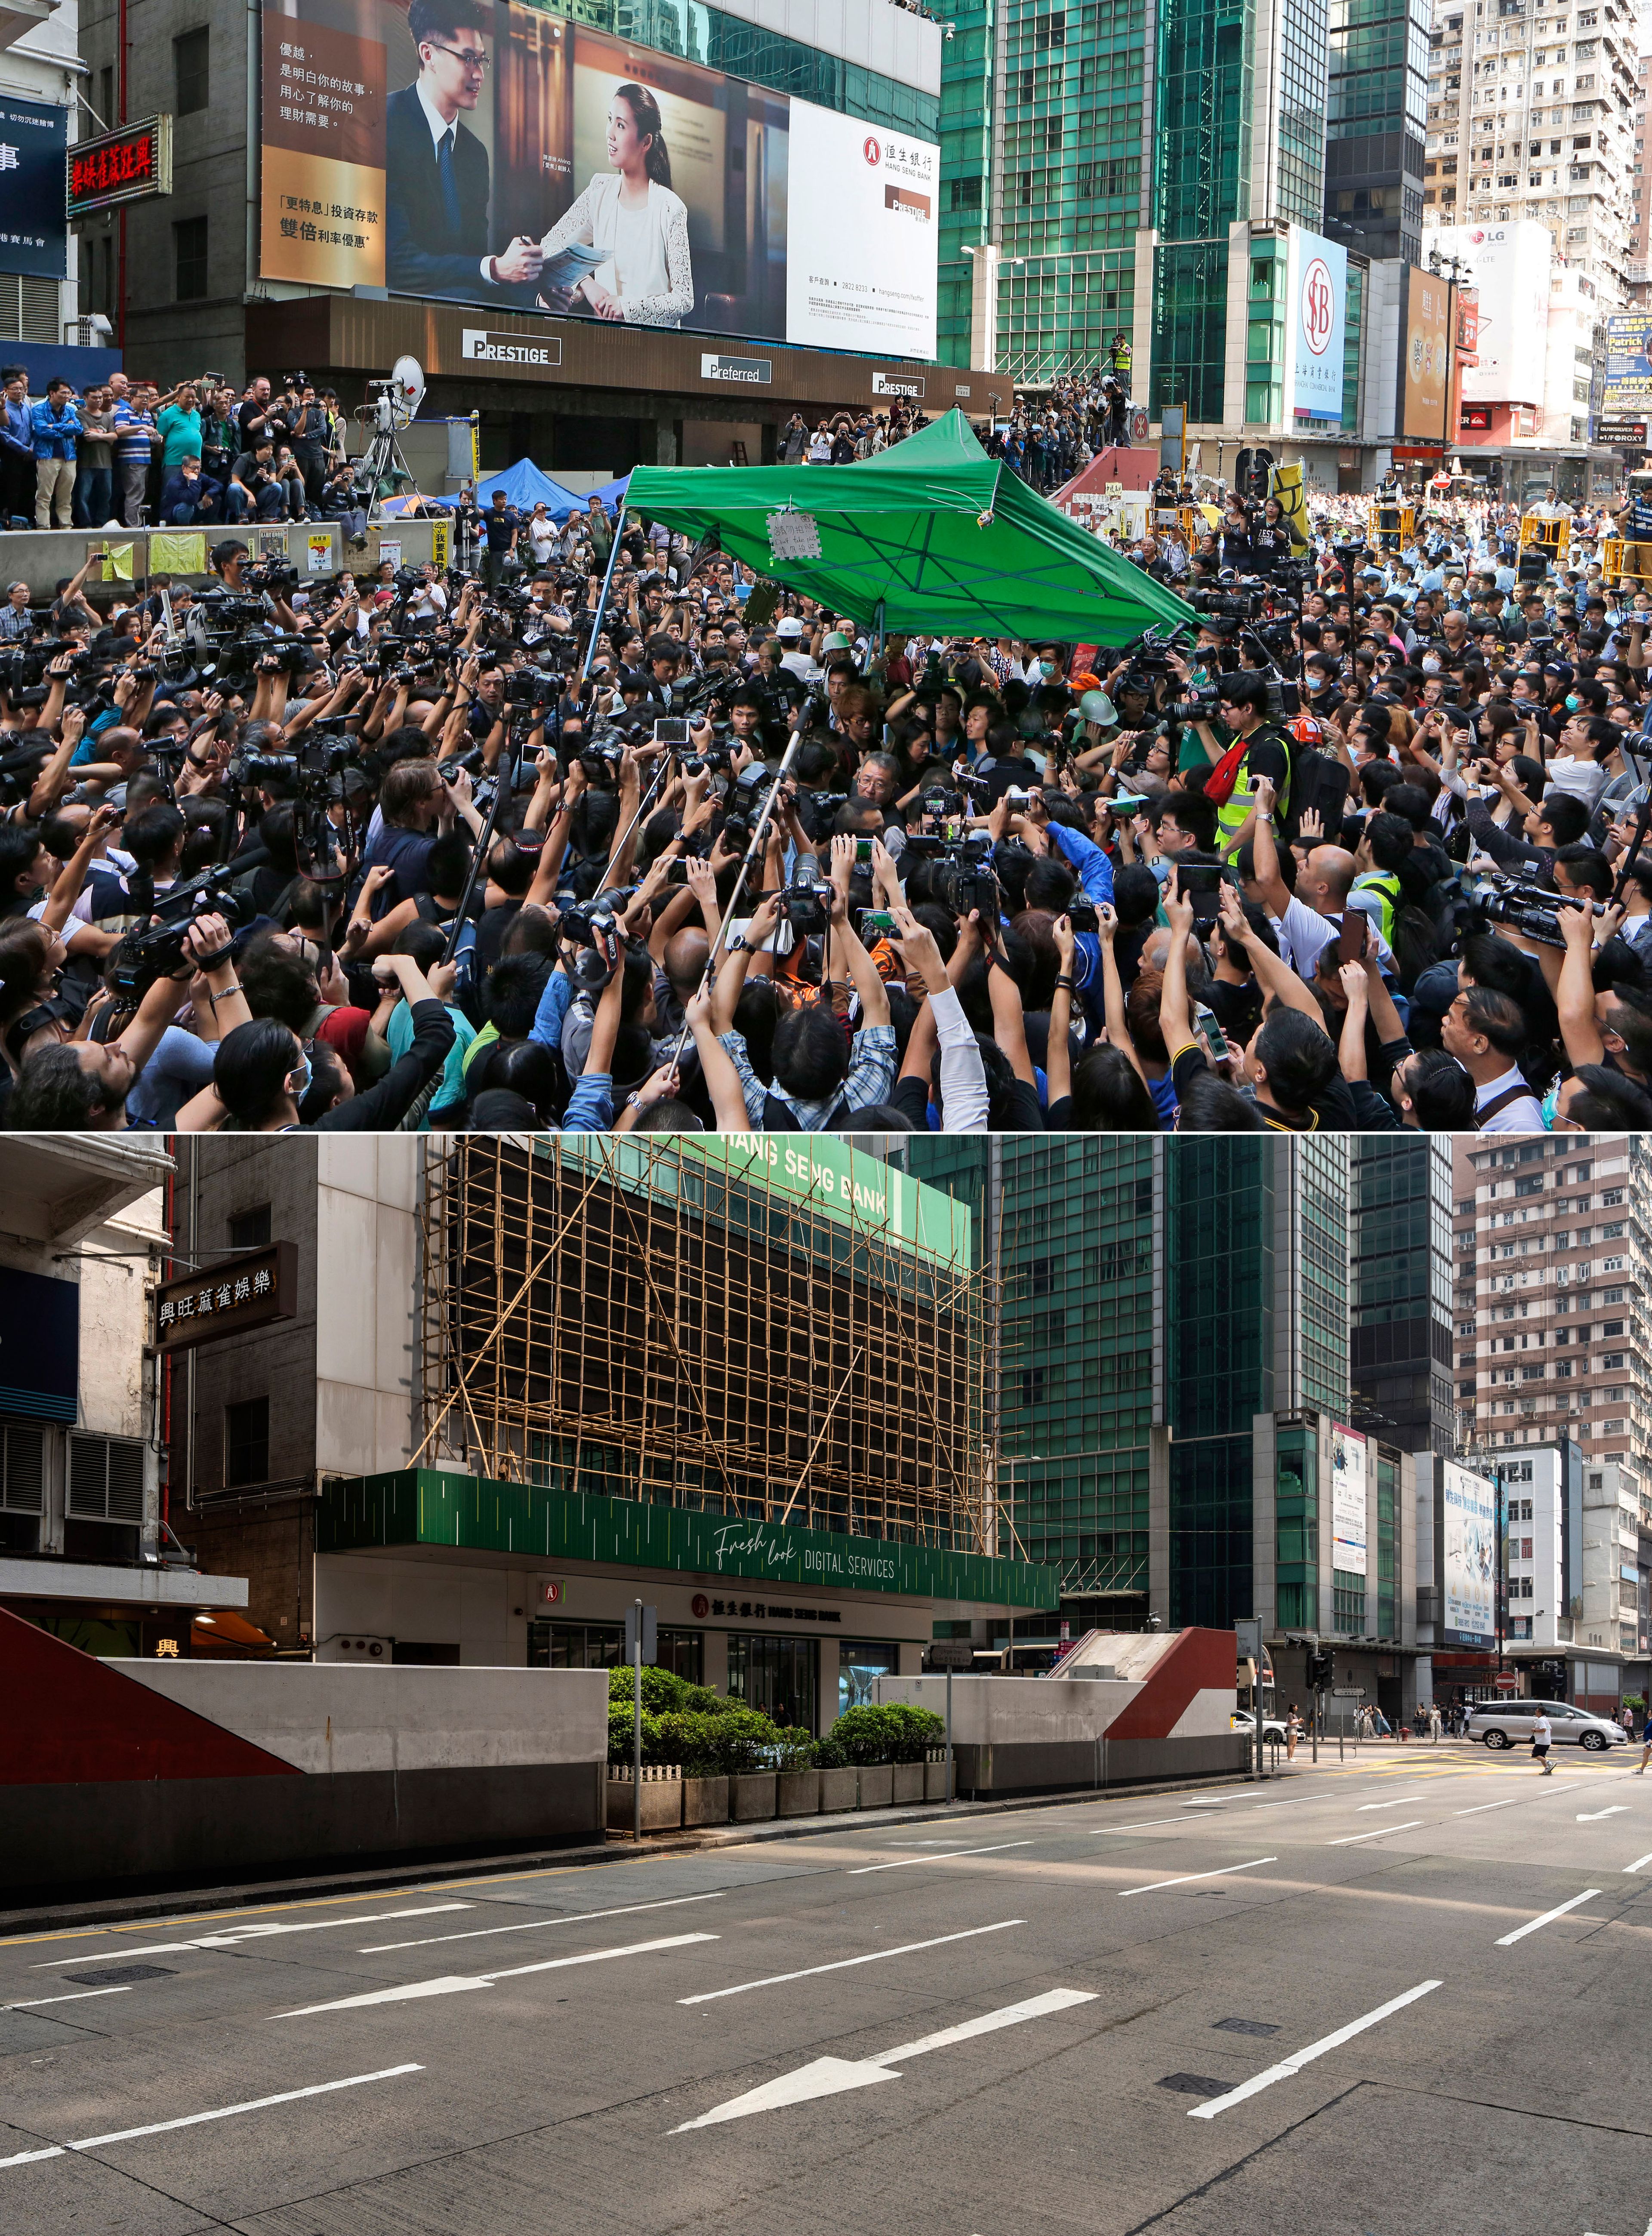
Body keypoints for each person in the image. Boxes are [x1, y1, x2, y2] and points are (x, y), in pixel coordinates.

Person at [384, 0, 544, 302]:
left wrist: (537, 291)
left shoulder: (474, 153)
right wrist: (494, 268)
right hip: (396, 311)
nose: (479, 74)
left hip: (461, 311)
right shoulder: (383, 124)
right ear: (428, 54)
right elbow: (398, 264)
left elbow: (473, 261)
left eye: (482, 60)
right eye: (468, 59)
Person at [535, 82, 694, 327]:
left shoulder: (670, 208)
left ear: (646, 142)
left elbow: (684, 299)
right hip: (606, 343)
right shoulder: (600, 192)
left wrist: (627, 308)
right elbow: (549, 246)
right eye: (610, 120)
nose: (610, 133)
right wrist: (586, 284)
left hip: (657, 350)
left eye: (621, 125)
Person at [1532, 1703, 1553, 1774]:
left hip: (1542, 1741)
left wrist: (1535, 1730)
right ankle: (1547, 1769)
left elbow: (1544, 1729)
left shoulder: (1541, 1720)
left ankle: (1550, 1763)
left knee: (1535, 1754)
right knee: (1542, 1756)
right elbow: (1550, 1728)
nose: (1535, 1712)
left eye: (1536, 1711)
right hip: (1546, 1741)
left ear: (1540, 1713)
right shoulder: (1545, 1719)